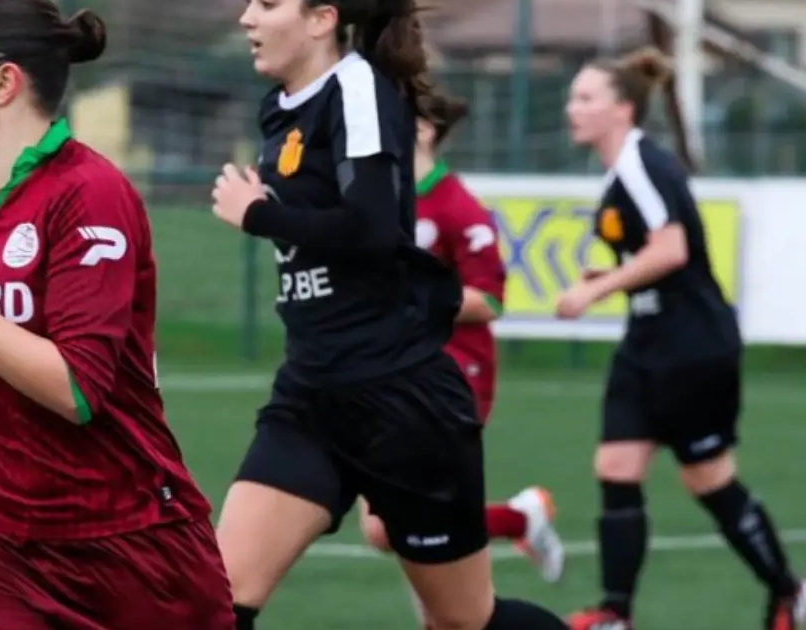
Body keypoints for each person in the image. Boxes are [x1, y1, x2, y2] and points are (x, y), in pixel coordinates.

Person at [0, 2, 235, 629]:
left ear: (4, 82)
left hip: (137, 553)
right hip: (6, 540)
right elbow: (13, 318)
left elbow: (75, 389)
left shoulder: (89, 193)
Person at [209, 1, 570, 629]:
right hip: (311, 395)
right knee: (214, 601)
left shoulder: (356, 89)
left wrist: (261, 215)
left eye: (267, 3)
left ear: (321, 19)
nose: (246, 17)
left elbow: (373, 227)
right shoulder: (280, 107)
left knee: (464, 621)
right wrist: (276, 210)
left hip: (400, 403)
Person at [557, 46, 805, 630]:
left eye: (586, 98)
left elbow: (671, 250)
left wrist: (596, 290)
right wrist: (612, 276)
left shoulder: (643, 164)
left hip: (692, 345)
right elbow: (654, 256)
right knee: (616, 465)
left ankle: (790, 593)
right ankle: (616, 614)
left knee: (708, 478)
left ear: (622, 109)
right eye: (573, 97)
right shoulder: (623, 169)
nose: (572, 108)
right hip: (647, 340)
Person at [356, 91, 565, 627]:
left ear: (424, 130)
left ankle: (517, 523)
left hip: (454, 376)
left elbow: (490, 300)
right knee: (389, 530)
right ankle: (518, 518)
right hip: (390, 378)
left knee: (404, 531)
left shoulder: (456, 207)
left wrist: (410, 300)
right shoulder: (381, 197)